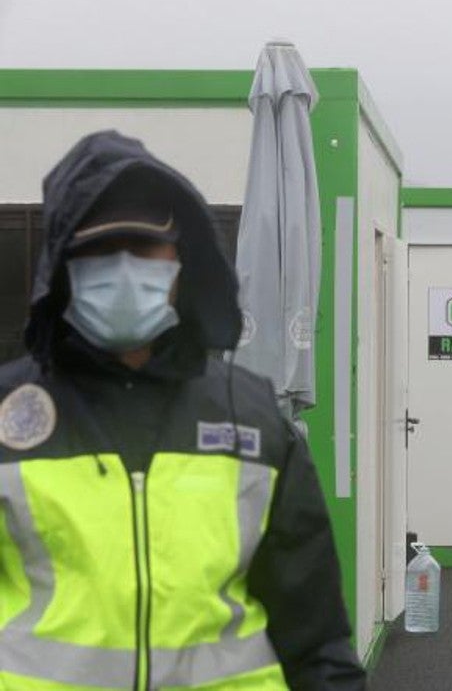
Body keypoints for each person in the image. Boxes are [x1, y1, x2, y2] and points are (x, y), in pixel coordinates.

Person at [0, 131, 366, 690]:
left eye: (143, 249)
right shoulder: (7, 421)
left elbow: (316, 641)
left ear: (180, 261)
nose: (122, 270)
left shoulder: (255, 419)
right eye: (98, 251)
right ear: (63, 266)